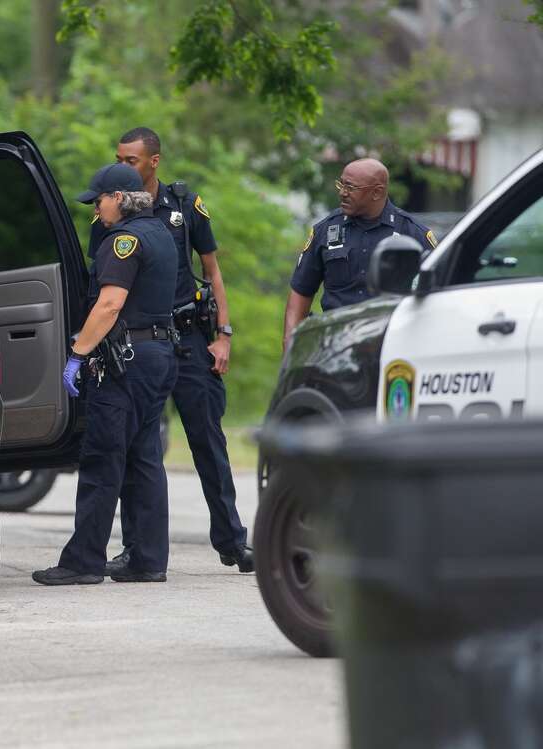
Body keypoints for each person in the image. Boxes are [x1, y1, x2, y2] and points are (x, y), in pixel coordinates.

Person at [98, 128, 253, 576]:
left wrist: (223, 333)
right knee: (138, 447)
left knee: (208, 439)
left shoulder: (184, 206)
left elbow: (212, 270)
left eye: (131, 160)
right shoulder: (109, 211)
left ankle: (233, 541)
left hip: (188, 336)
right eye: (119, 159)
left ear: (154, 162)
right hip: (137, 342)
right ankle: (135, 548)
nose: (123, 167)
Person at [32, 163, 179, 585]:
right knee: (144, 458)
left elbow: (110, 305)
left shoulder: (124, 242)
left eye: (98, 201)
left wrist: (78, 352)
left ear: (118, 197)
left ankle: (83, 562)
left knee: (102, 458)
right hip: (158, 355)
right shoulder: (162, 236)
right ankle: (148, 559)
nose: (96, 210)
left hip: (126, 361)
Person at [284, 157, 437, 350]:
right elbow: (300, 292)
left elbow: (438, 291)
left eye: (351, 188)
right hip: (335, 347)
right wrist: (291, 348)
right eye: (341, 184)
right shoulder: (326, 230)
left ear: (377, 192)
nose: (342, 192)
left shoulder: (413, 234)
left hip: (392, 344)